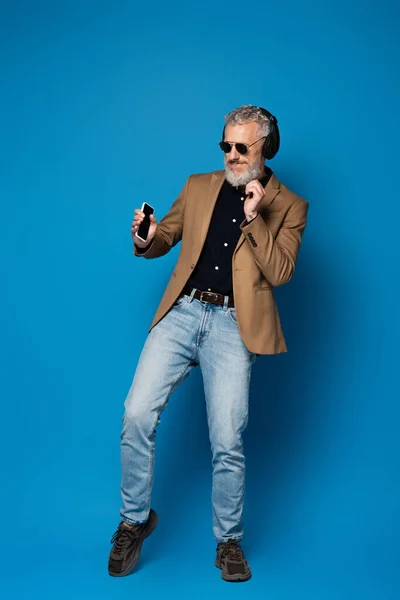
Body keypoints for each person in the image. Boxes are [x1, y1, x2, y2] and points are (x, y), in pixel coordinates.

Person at [108, 104, 309, 582]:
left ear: (267, 149)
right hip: (183, 312)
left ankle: (229, 540)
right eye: (227, 146)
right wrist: (148, 235)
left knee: (226, 438)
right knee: (136, 413)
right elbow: (166, 237)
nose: (233, 155)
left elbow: (281, 271)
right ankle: (134, 521)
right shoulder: (199, 186)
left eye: (243, 147)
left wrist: (255, 217)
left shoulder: (291, 206)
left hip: (233, 325)